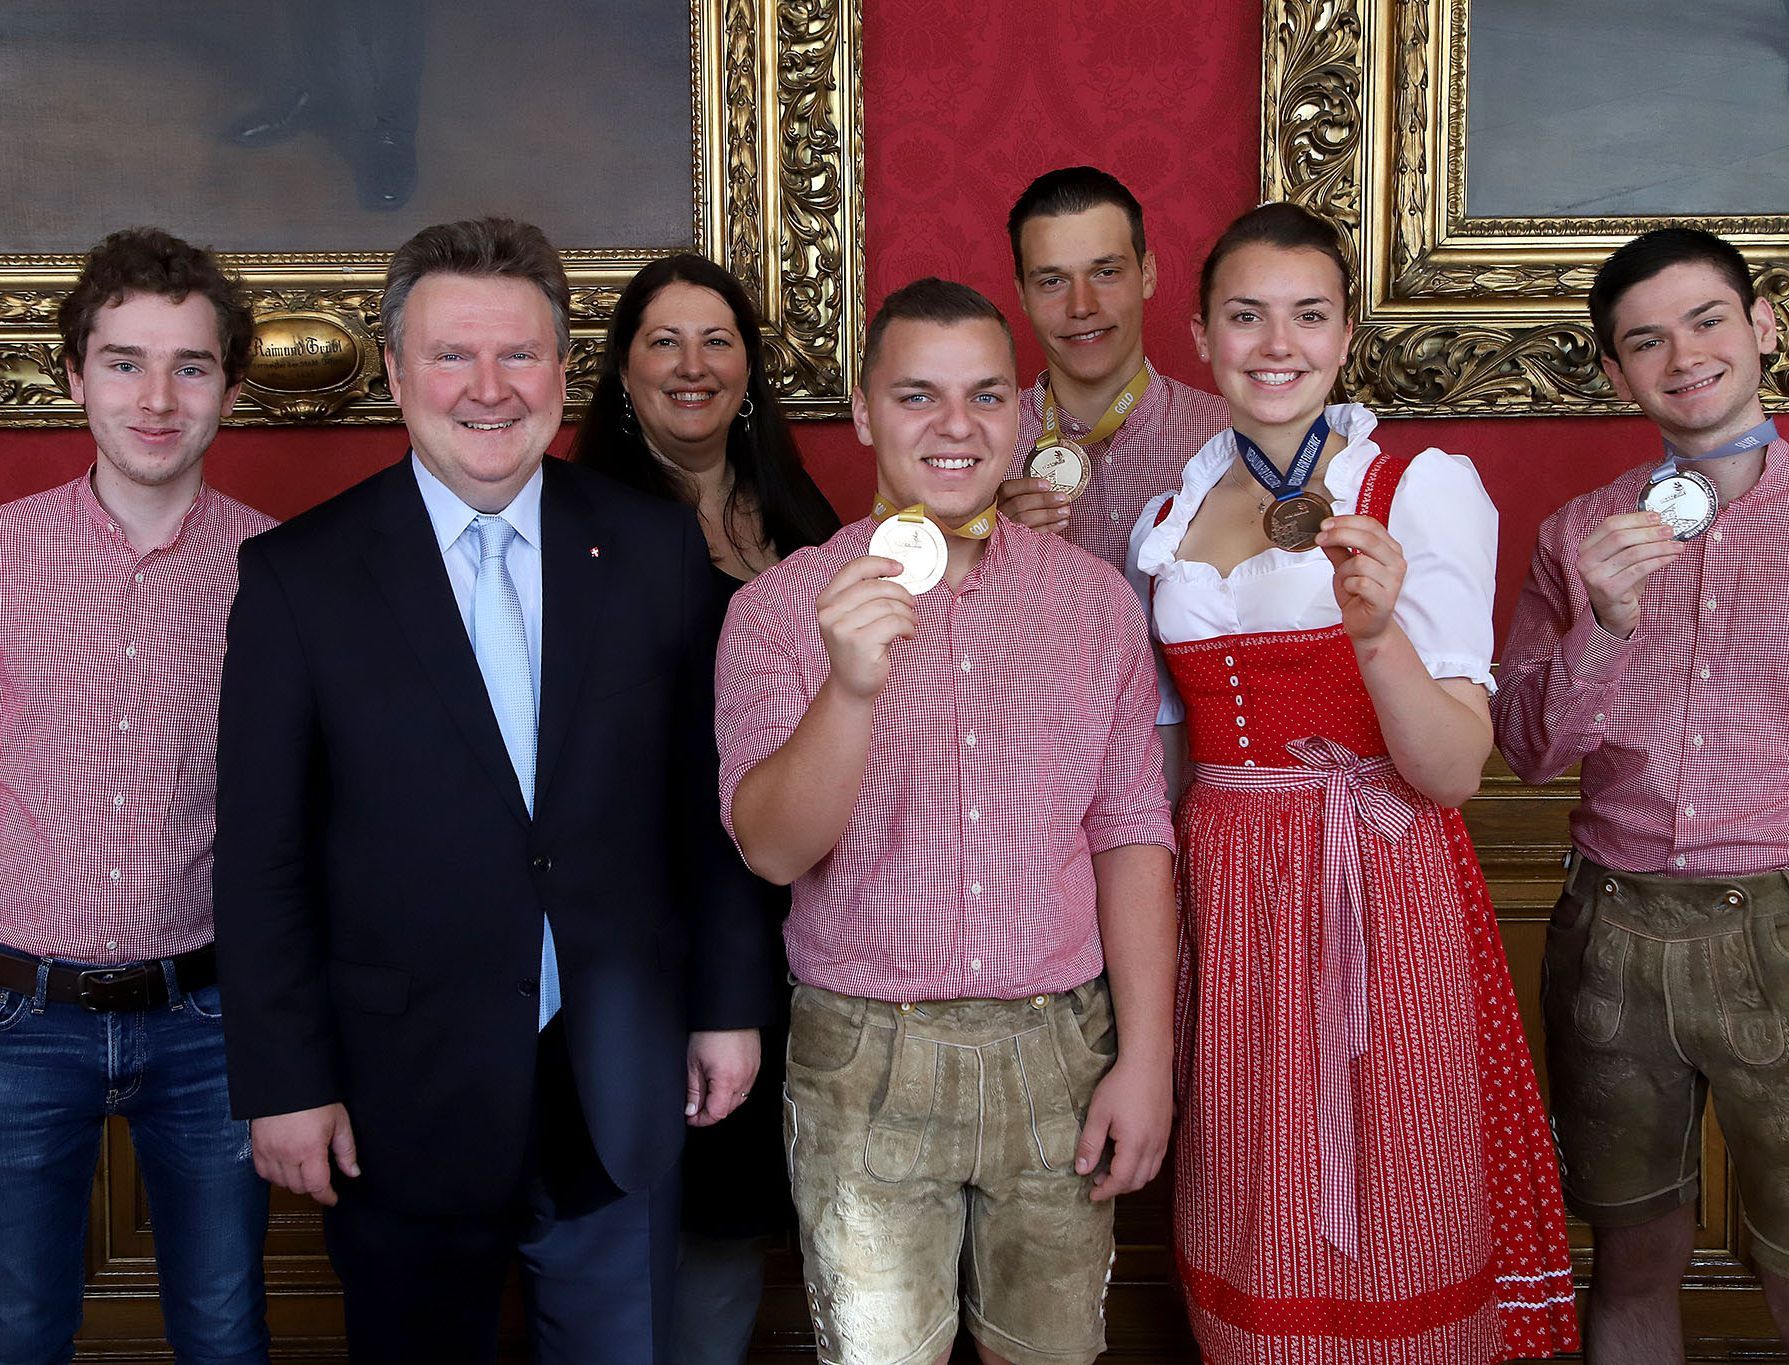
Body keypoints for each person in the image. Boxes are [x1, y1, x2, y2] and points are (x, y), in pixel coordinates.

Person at [212, 218, 771, 1364]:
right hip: (395, 1099)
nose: (486, 389)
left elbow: (701, 811)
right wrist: (284, 1083)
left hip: (619, 1078)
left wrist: (727, 1006)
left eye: (517, 355)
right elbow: (261, 857)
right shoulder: (295, 577)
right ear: (399, 370)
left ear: (559, 372)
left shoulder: (654, 550)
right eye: (452, 356)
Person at [1129, 203, 1577, 1363]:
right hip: (1227, 904)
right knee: (1250, 1210)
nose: (1274, 343)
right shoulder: (1167, 512)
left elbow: (1445, 773)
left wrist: (1374, 633)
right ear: (1197, 331)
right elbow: (1174, 760)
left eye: (1307, 315)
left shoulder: (1416, 487)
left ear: (1343, 335)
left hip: (1377, 885)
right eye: (1244, 315)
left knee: (1393, 1213)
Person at [716, 278, 1178, 1365]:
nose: (955, 426)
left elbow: (1127, 833)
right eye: (917, 396)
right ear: (865, 411)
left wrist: (1145, 1058)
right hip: (866, 1054)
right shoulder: (781, 610)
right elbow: (773, 849)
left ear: (1019, 415)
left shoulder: (1092, 604)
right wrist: (850, 690)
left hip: (1062, 1045)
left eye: (982, 395)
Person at [1494, 227, 1789, 1363]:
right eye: (1644, 340)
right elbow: (1527, 752)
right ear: (1612, 371)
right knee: (1630, 1258)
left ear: (1761, 326)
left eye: (1705, 320)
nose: (1681, 355)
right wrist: (1606, 624)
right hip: (1612, 929)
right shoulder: (1575, 536)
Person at [0, 227, 274, 1363]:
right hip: (19, 1018)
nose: (157, 398)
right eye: (124, 362)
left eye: (191, 366)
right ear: (73, 376)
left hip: (213, 1020)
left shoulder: (282, 573)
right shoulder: (3, 557)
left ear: (230, 386)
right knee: (18, 1331)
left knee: (221, 1329)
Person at [571, 251, 839, 1364]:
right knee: (634, 1210)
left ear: (749, 370)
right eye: (663, 342)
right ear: (622, 375)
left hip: (791, 918)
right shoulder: (577, 525)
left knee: (733, 1215)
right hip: (644, 924)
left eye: (716, 340)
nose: (692, 366)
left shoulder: (805, 517)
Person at [997, 166, 1230, 568]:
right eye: (1052, 281)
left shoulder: (1227, 438)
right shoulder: (981, 446)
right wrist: (988, 546)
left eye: (1105, 273)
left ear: (1147, 274)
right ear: (1022, 294)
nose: (1082, 306)